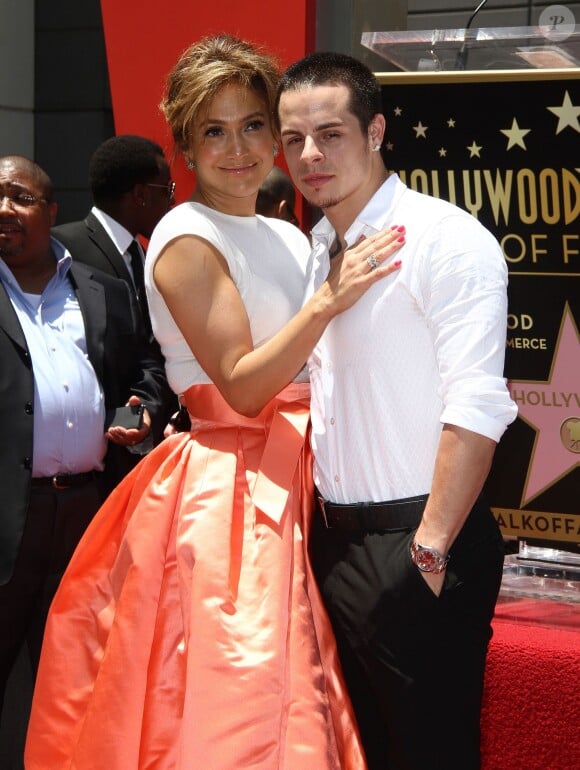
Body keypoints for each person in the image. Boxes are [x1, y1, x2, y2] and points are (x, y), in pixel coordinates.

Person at [25, 35, 404, 770]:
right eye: (214, 131)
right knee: (237, 700)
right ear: (185, 149)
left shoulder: (287, 236)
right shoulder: (185, 234)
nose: (239, 149)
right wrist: (329, 301)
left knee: (309, 687)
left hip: (304, 480)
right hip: (227, 499)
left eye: (254, 125)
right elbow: (245, 382)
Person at [275, 52, 518, 770]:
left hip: (419, 544)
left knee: (430, 752)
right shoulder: (316, 252)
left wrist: (430, 550)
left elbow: (478, 404)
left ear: (376, 129)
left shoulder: (447, 240)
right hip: (333, 545)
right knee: (357, 752)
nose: (311, 156)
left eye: (331, 133)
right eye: (294, 140)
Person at [0, 155, 171, 728]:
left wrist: (142, 407)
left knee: (78, 683)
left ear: (51, 212)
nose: (4, 208)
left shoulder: (97, 289)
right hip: (8, 519)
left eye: (20, 197)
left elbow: (146, 363)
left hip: (88, 514)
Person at [52, 134, 175, 336]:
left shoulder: (144, 255)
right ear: (140, 195)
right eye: (167, 189)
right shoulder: (61, 248)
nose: (172, 200)